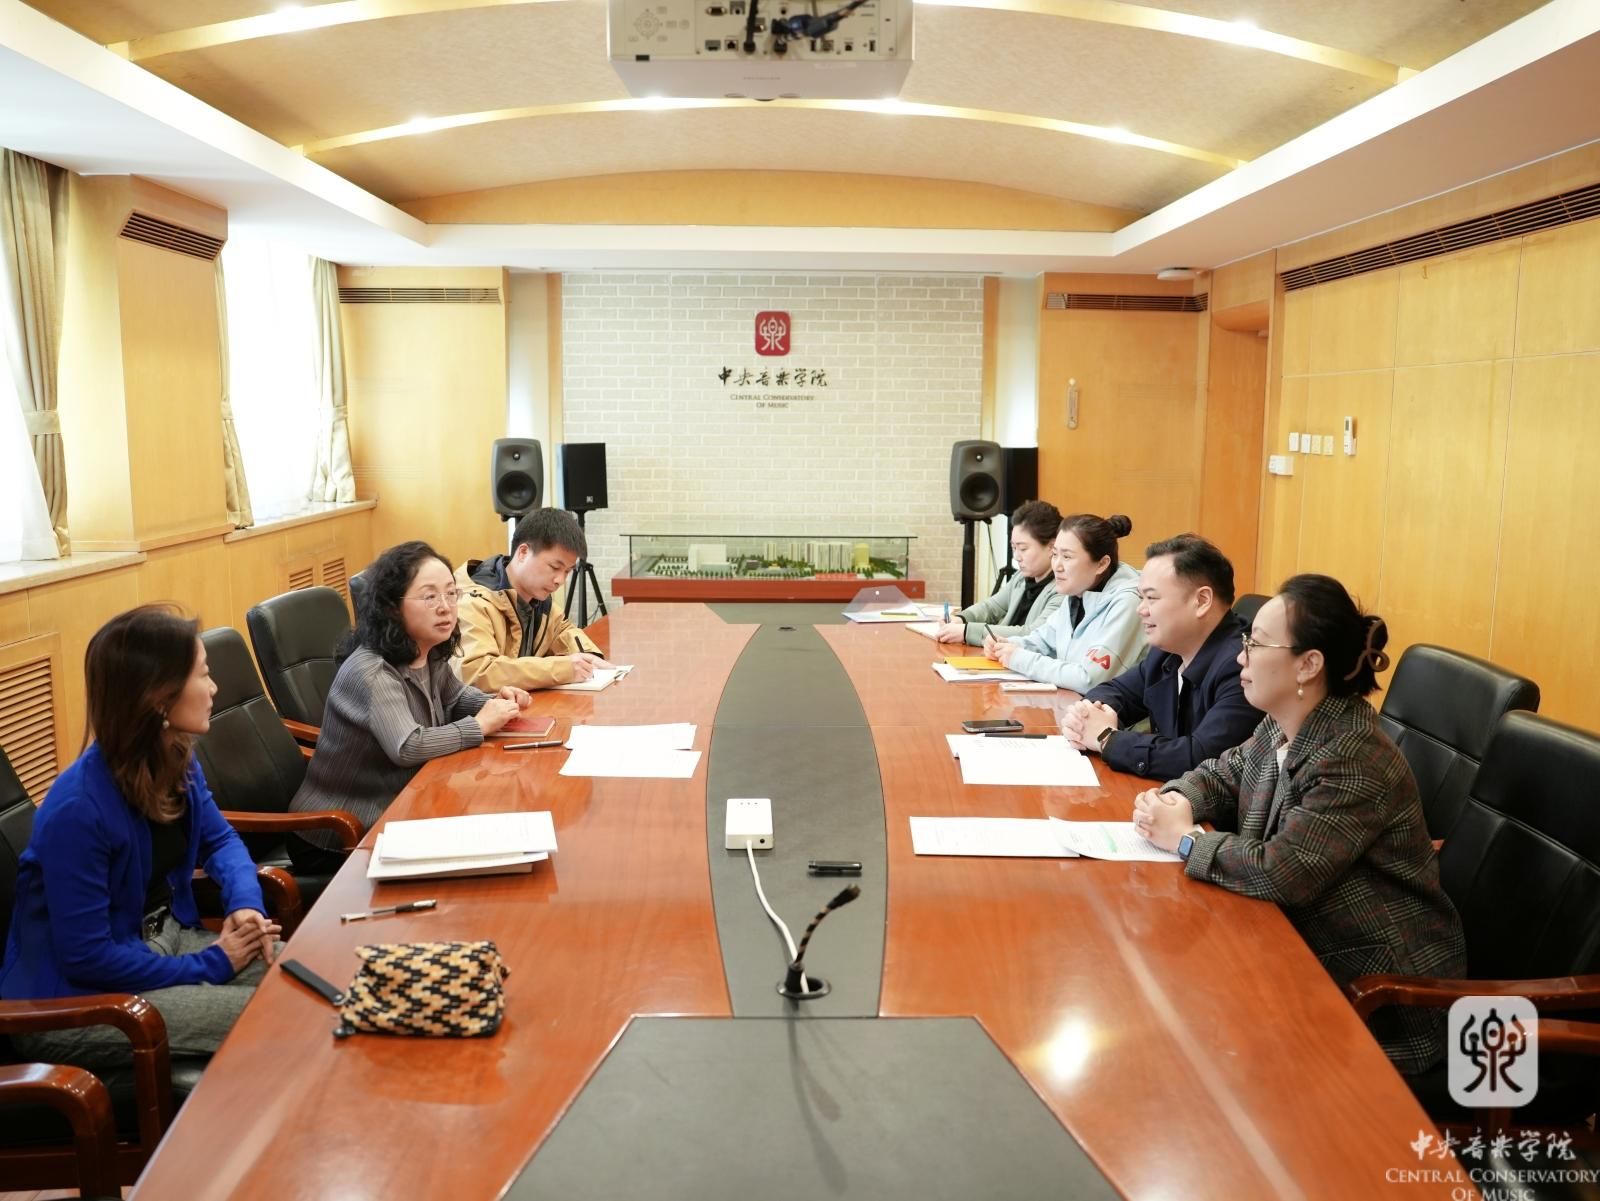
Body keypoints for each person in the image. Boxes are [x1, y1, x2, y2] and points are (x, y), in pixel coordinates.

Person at [1132, 574, 1465, 1074]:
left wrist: (1185, 840)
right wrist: (1176, 799)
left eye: (1256, 644)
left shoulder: (1351, 757)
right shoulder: (1284, 719)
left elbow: (1283, 871)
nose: (1240, 658)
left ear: (1308, 664)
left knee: (1197, 1048)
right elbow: (1222, 773)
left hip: (1380, 993)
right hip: (1296, 950)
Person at [0, 606, 280, 1071]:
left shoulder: (177, 757)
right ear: (159, 699)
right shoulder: (78, 809)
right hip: (72, 1000)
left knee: (306, 977)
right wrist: (215, 963)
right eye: (203, 675)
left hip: (162, 940)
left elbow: (219, 841)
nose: (214, 688)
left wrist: (244, 903)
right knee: (279, 1018)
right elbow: (89, 957)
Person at [288, 541, 528, 872]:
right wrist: (479, 725)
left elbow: (454, 698)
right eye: (430, 597)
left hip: (401, 807)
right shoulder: (371, 671)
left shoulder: (428, 648)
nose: (445, 607)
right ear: (392, 607)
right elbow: (408, 745)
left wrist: (496, 703)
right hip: (334, 832)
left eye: (451, 594)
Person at [1063, 534, 1261, 778]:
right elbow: (1116, 691)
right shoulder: (1168, 651)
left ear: (1201, 601)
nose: (1141, 609)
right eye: (1141, 598)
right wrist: (1089, 714)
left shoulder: (1243, 667)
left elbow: (1202, 758)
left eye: (1152, 598)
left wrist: (1106, 738)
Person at [984, 513, 1146, 694]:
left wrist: (1018, 658)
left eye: (1067, 557)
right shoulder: (1078, 592)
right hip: (1073, 703)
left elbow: (1089, 679)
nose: (1057, 566)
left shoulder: (1129, 602)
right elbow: (1043, 641)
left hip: (1112, 711)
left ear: (1102, 564)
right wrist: (1007, 645)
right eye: (1055, 555)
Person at [456, 508, 611, 689]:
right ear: (523, 552)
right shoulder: (473, 602)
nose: (560, 580)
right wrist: (562, 669)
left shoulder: (539, 600)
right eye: (555, 567)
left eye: (567, 571)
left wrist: (589, 656)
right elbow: (477, 672)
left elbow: (562, 631)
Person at [932, 500, 1064, 645]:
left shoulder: (1062, 590)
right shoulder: (1020, 578)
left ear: (1051, 547)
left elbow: (1032, 634)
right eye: (1014, 548)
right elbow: (992, 607)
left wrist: (966, 631)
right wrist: (961, 619)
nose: (1016, 556)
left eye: (1023, 549)